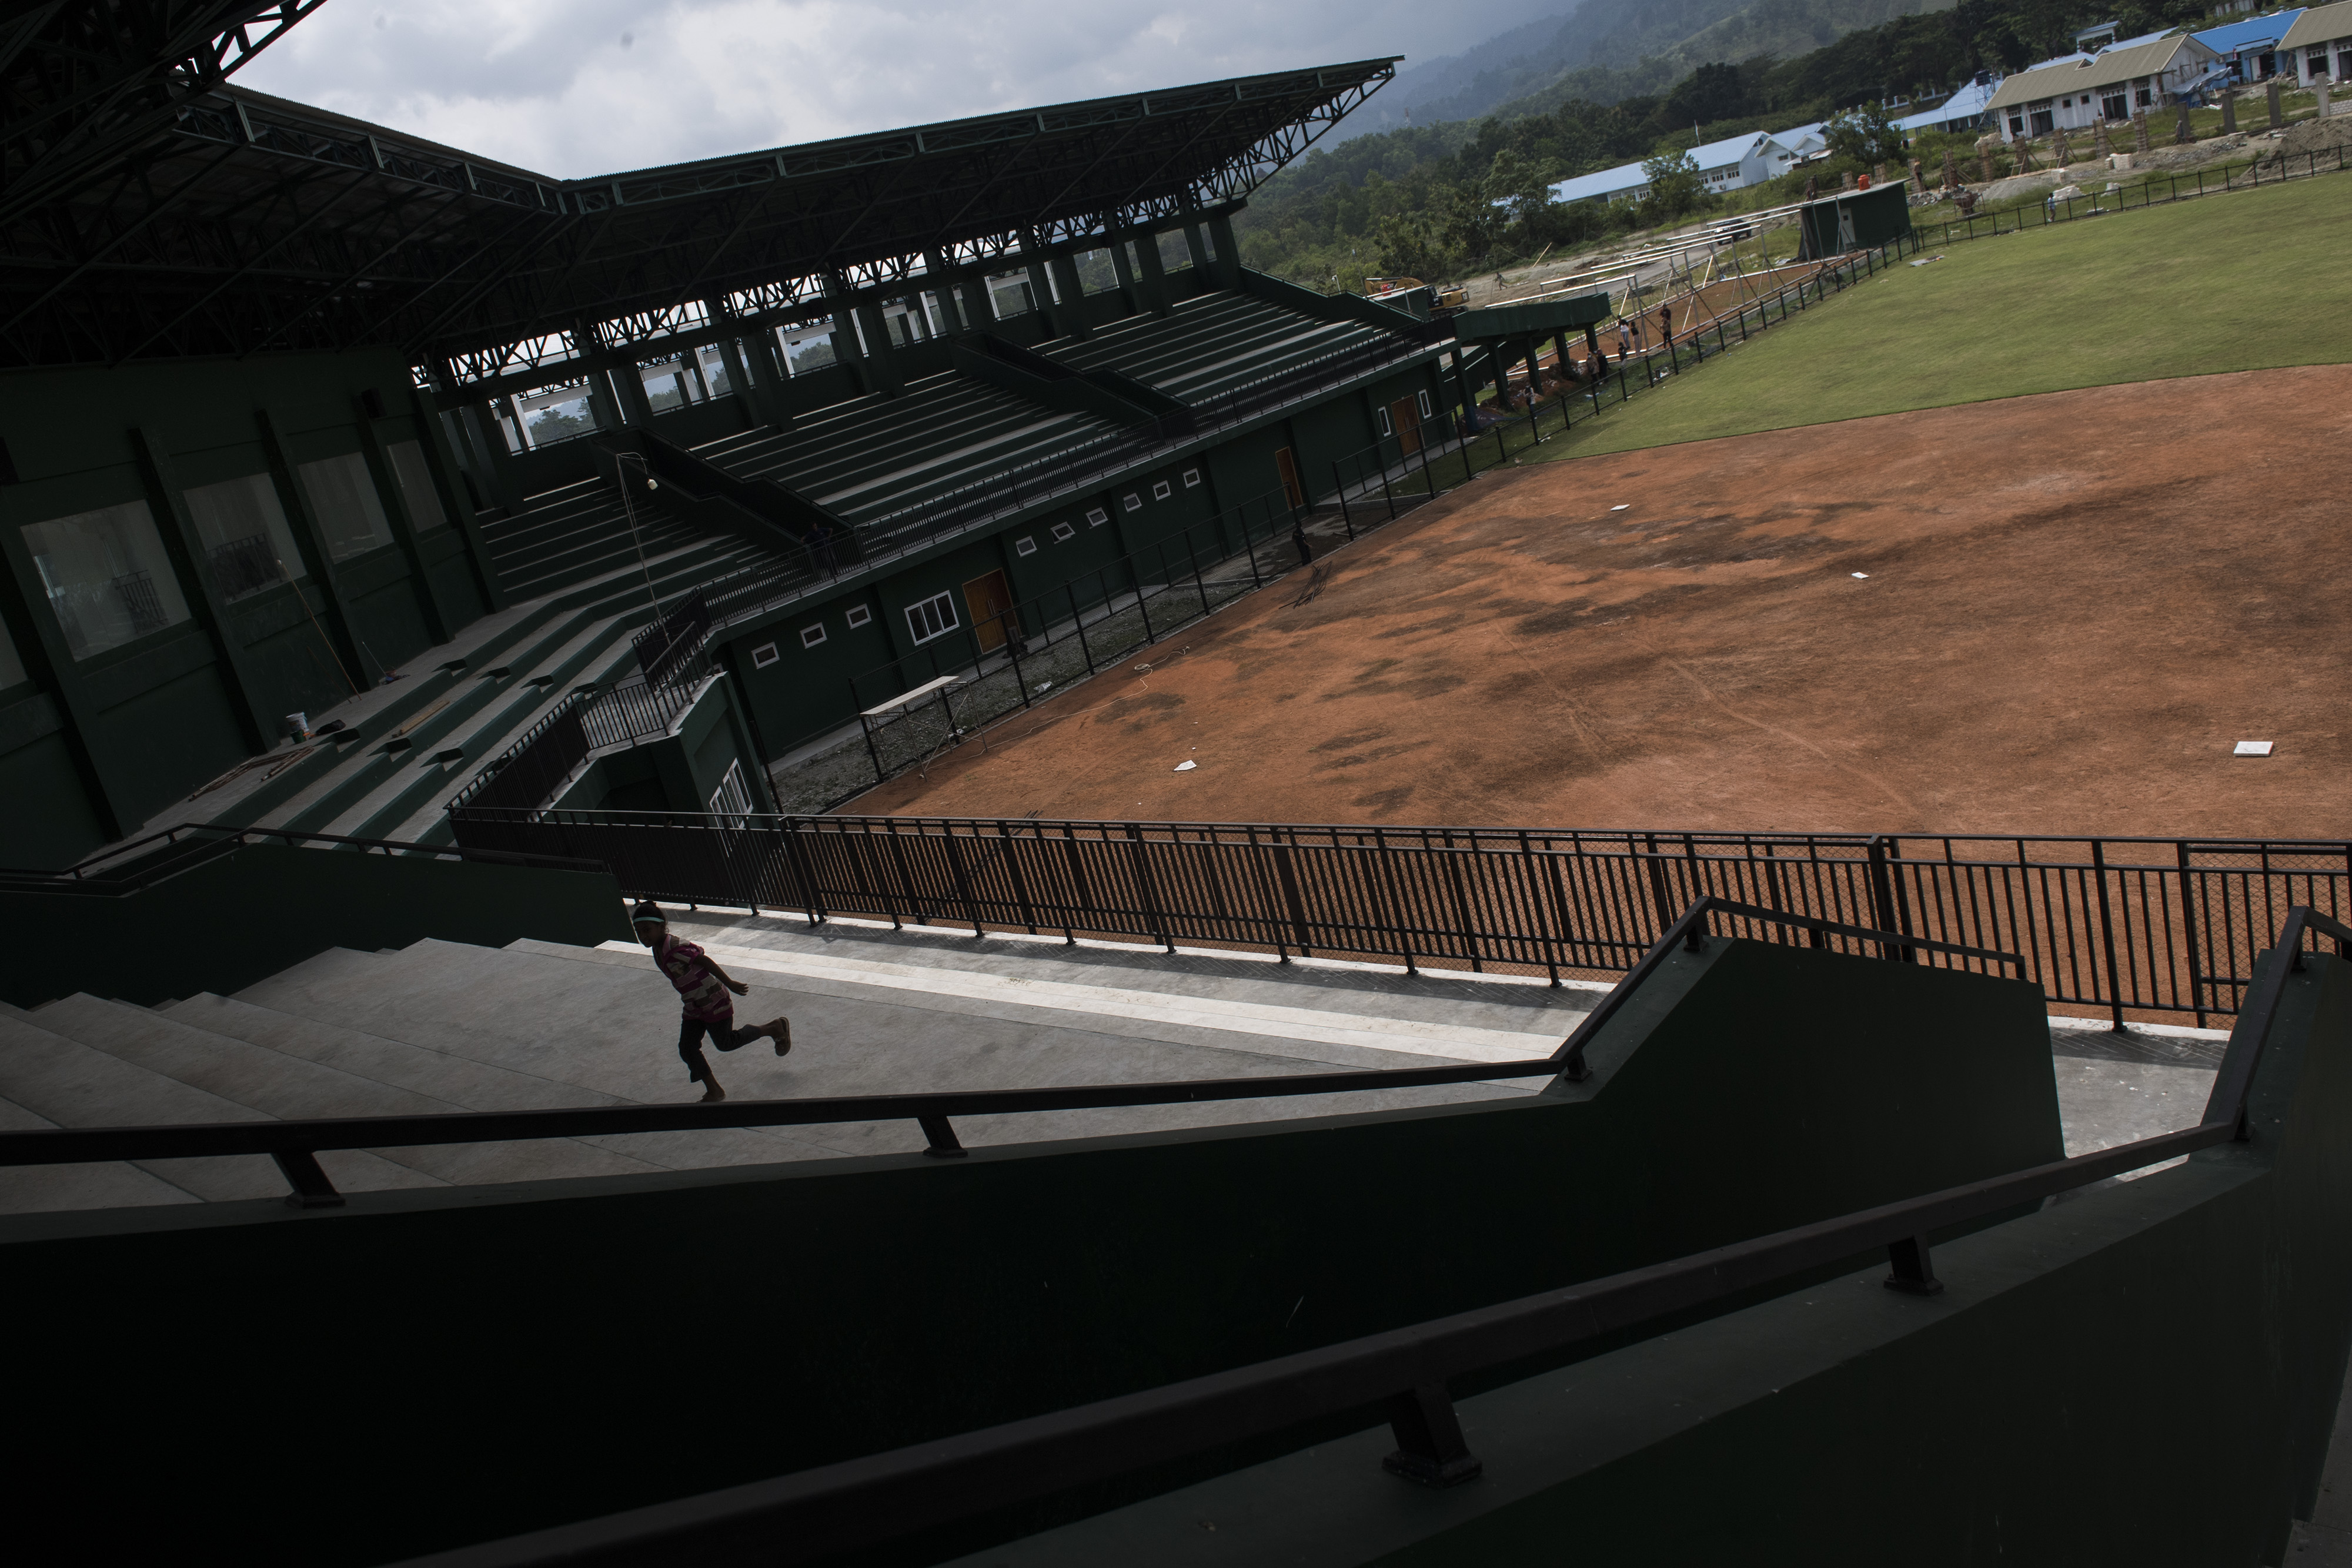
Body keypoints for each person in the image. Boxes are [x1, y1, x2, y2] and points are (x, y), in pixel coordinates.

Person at [631, 901, 790, 1102]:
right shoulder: (657, 948)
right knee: (687, 1048)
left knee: (725, 1043)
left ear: (662, 926)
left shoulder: (674, 948)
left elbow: (704, 961)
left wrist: (730, 983)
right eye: (639, 932)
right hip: (694, 1005)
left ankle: (773, 1028)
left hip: (713, 1001)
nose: (643, 936)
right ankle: (714, 1090)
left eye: (647, 930)